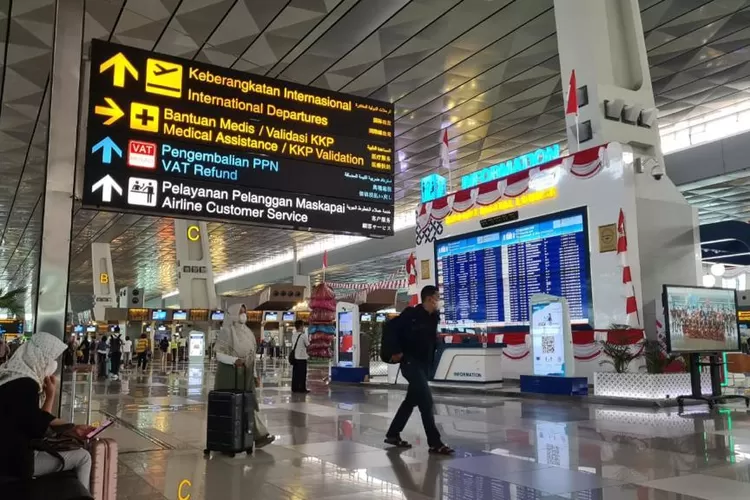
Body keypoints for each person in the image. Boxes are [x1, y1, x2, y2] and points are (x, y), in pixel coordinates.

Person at [0, 332, 94, 486]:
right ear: (40, 357)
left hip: (8, 455)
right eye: (51, 359)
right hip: (12, 464)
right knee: (83, 457)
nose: (53, 364)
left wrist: (50, 395)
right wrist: (72, 428)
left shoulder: (10, 376)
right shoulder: (25, 384)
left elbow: (35, 418)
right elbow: (37, 428)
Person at [384, 286, 454, 455]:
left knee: (410, 401)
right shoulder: (411, 314)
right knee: (426, 402)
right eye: (438, 297)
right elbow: (391, 329)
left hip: (423, 365)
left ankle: (393, 434)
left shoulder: (433, 317)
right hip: (409, 363)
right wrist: (395, 352)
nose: (439, 301)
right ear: (430, 299)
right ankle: (434, 442)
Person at [215, 304, 275, 449]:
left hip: (246, 375)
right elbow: (218, 354)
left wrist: (254, 374)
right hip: (229, 375)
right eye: (241, 312)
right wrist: (234, 361)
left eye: (245, 312)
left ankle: (259, 435)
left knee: (248, 404)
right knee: (231, 407)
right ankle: (224, 437)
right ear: (234, 314)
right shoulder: (227, 332)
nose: (244, 315)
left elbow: (251, 356)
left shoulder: (248, 332)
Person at [291, 320, 310, 393]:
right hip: (302, 358)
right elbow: (308, 345)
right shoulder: (303, 335)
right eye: (303, 326)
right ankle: (302, 388)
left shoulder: (293, 335)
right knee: (302, 374)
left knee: (295, 374)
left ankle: (294, 388)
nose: (304, 327)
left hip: (295, 358)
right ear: (301, 326)